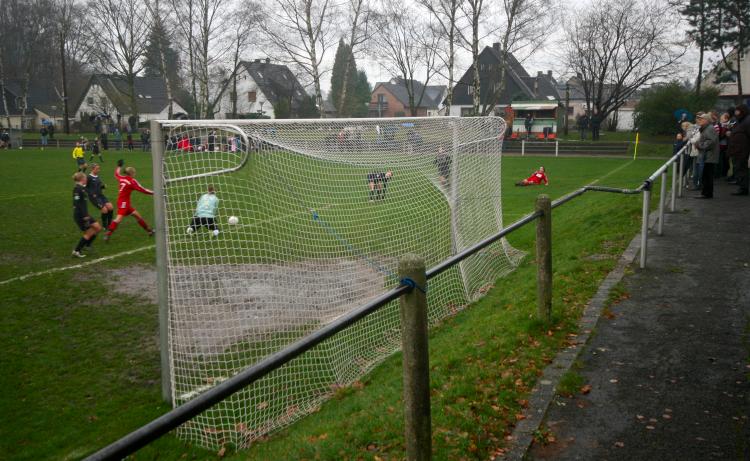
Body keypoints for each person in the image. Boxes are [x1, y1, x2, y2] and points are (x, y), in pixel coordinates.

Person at [103, 159, 154, 241]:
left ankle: (149, 231)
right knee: (118, 219)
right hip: (124, 203)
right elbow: (143, 190)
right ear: (131, 173)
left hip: (121, 201)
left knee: (137, 215)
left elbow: (116, 174)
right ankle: (107, 234)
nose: (135, 174)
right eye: (134, 172)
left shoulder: (122, 178)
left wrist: (119, 166)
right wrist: (154, 192)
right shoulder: (132, 181)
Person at [71, 172, 102, 258]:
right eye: (85, 178)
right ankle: (76, 250)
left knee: (98, 227)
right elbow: (77, 203)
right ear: (82, 179)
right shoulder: (77, 189)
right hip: (81, 215)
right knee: (89, 232)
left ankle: (87, 244)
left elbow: (89, 193)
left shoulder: (82, 188)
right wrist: (85, 215)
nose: (86, 179)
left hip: (85, 214)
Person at [692, 112, 719, 199]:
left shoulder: (709, 128)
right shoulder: (706, 128)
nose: (699, 120)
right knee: (706, 175)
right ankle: (706, 193)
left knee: (707, 176)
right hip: (707, 156)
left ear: (707, 120)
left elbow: (711, 142)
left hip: (709, 156)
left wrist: (699, 145)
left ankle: (707, 194)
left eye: (701, 119)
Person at [727, 104, 750, 196]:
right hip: (738, 150)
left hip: (743, 150)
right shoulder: (740, 121)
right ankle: (742, 186)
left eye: (738, 111)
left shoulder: (747, 121)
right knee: (738, 168)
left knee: (741, 169)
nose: (736, 113)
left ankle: (743, 188)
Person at [86, 163, 115, 229]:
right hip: (94, 197)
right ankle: (105, 226)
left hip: (101, 195)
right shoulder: (89, 177)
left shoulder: (97, 176)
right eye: (97, 169)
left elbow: (98, 186)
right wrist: (91, 193)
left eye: (99, 169)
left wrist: (102, 186)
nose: (99, 170)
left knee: (110, 207)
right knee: (105, 210)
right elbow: (85, 187)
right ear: (92, 169)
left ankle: (110, 224)